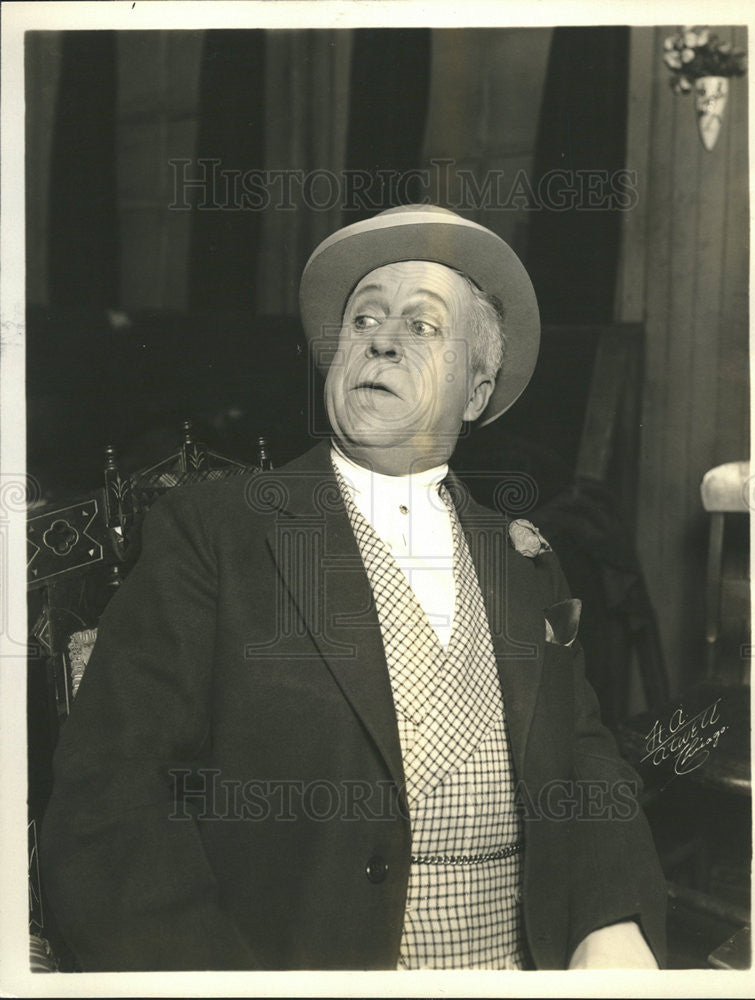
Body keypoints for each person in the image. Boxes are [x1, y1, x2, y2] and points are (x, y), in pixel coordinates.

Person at [41, 205, 666, 971]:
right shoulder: (218, 532)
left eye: (424, 325)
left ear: (476, 394)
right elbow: (110, 799)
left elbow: (585, 757)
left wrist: (613, 923)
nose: (379, 336)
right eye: (364, 316)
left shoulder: (524, 560)